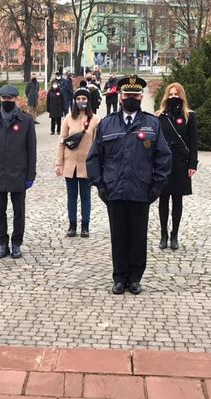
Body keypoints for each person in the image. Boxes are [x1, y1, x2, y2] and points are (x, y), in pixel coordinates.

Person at [86, 75, 172, 295]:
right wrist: (99, 184)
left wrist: (157, 185)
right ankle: (119, 277)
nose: (130, 98)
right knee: (118, 236)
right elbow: (94, 157)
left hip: (141, 189)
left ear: (141, 97)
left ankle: (134, 278)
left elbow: (163, 156)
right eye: (127, 95)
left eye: (135, 95)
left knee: (138, 236)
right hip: (114, 189)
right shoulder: (107, 124)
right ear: (120, 97)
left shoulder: (152, 124)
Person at [0, 85, 37, 259]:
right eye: (4, 98)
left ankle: (16, 243)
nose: (7, 101)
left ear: (15, 99)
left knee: (18, 211)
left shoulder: (26, 120)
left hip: (18, 173)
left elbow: (31, 150)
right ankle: (2, 243)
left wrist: (30, 175)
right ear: (0, 99)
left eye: (10, 98)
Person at [155, 82, 198, 250]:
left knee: (177, 199)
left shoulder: (189, 116)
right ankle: (163, 235)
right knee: (163, 199)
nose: (173, 97)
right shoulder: (160, 116)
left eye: (176, 94)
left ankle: (174, 235)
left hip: (181, 162)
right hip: (164, 163)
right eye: (171, 94)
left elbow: (193, 142)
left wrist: (193, 164)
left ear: (182, 96)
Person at [55, 87, 101, 237]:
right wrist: (58, 163)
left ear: (88, 101)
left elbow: (97, 144)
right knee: (71, 196)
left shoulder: (95, 119)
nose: (81, 101)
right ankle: (72, 225)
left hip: (86, 165)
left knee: (86, 196)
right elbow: (61, 141)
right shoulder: (68, 118)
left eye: (84, 99)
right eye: (78, 99)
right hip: (70, 165)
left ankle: (85, 226)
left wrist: (97, 165)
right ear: (75, 101)